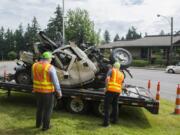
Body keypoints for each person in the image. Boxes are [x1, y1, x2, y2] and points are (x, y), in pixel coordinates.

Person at [32, 51, 62, 131]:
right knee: (48, 110)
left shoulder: (34, 65)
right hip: (47, 93)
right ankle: (45, 127)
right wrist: (59, 91)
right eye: (51, 58)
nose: (51, 60)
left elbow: (33, 78)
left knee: (39, 109)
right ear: (48, 58)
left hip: (37, 91)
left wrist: (34, 87)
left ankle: (38, 124)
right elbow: (55, 81)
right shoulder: (50, 67)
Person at [103, 61, 124, 127]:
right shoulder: (121, 74)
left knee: (106, 106)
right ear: (119, 67)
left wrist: (106, 88)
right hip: (117, 91)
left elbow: (107, 79)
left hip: (110, 90)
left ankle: (106, 124)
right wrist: (120, 90)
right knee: (115, 106)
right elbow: (122, 84)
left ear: (113, 66)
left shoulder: (111, 70)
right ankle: (115, 120)